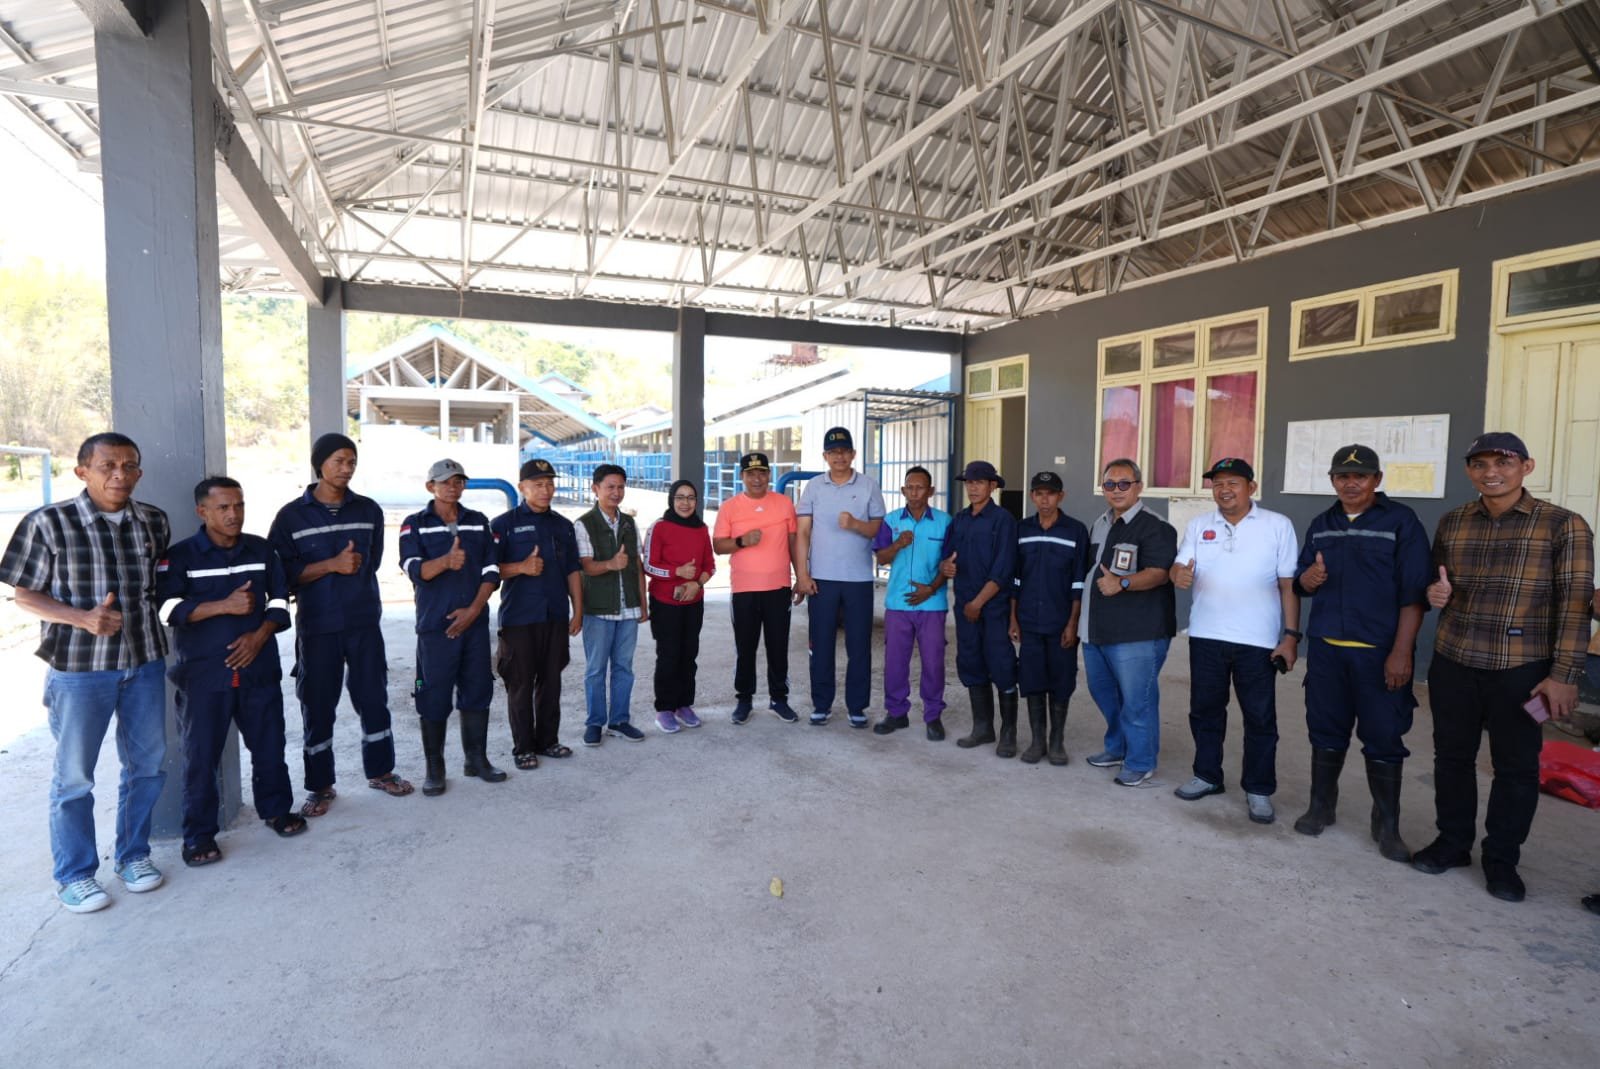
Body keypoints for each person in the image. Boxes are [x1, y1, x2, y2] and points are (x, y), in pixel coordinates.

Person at [1413, 432, 1594, 902]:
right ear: (1468, 470)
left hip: (1522, 671)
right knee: (1452, 758)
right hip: (1454, 661)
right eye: (1479, 464)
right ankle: (1453, 842)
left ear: (1526, 467)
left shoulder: (1563, 525)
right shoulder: (1453, 522)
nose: (1490, 472)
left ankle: (1502, 859)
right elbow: (1437, 581)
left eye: (1503, 462)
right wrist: (1435, 592)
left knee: (1515, 768)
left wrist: (1564, 675)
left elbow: (1576, 606)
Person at [1, 433, 171, 912]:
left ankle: (133, 856)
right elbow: (23, 594)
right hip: (79, 669)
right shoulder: (48, 523)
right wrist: (81, 618)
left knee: (147, 767)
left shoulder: (153, 521)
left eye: (129, 465)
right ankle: (75, 875)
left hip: (144, 661)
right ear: (82, 471)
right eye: (107, 465)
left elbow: (155, 587)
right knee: (75, 777)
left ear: (139, 472)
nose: (119, 474)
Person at [1289, 444, 1431, 862]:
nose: (1351, 484)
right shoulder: (1322, 523)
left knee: (1384, 736)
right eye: (1342, 476)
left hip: (1378, 653)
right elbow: (1300, 580)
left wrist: (1402, 653)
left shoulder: (1401, 521)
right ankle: (1321, 807)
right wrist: (1309, 579)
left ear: (1377, 480)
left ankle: (1386, 825)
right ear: (1332, 480)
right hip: (1327, 651)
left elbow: (1414, 595)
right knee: (1325, 731)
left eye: (1361, 476)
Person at [157, 476, 306, 867]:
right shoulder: (181, 557)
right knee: (200, 757)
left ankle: (276, 811)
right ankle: (199, 836)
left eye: (238, 505)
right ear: (202, 511)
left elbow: (280, 601)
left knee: (270, 747)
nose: (233, 514)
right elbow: (166, 610)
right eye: (223, 507)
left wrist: (259, 636)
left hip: (258, 668)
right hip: (204, 676)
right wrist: (223, 606)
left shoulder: (262, 550)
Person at [269, 432, 412, 816]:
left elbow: (372, 562)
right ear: (319, 464)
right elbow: (281, 575)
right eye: (339, 461)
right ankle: (320, 786)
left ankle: (381, 771)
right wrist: (331, 565)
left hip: (363, 622)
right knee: (317, 704)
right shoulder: (290, 517)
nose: (346, 469)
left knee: (373, 698)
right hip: (317, 627)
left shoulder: (369, 511)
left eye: (352, 462)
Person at [1169, 458, 1300, 824]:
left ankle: (1259, 789)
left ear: (1251, 488)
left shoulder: (1277, 525)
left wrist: (1290, 637)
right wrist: (1178, 574)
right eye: (1218, 483)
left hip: (1257, 641)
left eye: (1233, 483)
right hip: (1206, 635)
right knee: (1205, 711)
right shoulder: (1200, 525)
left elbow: (1288, 585)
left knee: (1260, 718)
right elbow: (1180, 565)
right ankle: (1207, 775)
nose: (1224, 489)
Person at [398, 459, 506, 796]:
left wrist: (474, 610)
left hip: (474, 624)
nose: (452, 487)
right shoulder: (414, 524)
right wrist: (445, 561)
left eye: (458, 481)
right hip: (436, 628)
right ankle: (435, 769)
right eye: (445, 482)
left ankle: (476, 760)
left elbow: (492, 570)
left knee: (478, 689)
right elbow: (413, 569)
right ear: (430, 486)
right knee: (432, 694)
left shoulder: (478, 521)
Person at [1080, 459, 1177, 787]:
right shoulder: (1100, 523)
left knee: (1138, 701)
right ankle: (1118, 748)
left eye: (1124, 483)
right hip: (1097, 630)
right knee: (1104, 693)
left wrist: (1122, 583)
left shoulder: (1155, 527)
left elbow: (1160, 573)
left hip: (1138, 633)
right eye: (1110, 484)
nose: (1117, 490)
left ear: (1139, 487)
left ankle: (1141, 761)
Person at [491, 458, 582, 770]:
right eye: (538, 484)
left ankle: (547, 740)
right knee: (520, 683)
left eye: (550, 484)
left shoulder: (563, 526)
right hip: (519, 617)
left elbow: (572, 570)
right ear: (522, 487)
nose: (546, 490)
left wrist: (578, 610)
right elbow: (489, 571)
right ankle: (523, 748)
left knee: (551, 681)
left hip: (554, 615)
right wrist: (521, 567)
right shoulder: (502, 525)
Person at [794, 427, 886, 728]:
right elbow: (803, 533)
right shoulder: (813, 488)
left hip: (858, 579)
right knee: (821, 645)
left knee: (859, 646)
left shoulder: (869, 486)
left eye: (844, 451)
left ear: (853, 454)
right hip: (822, 579)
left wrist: (856, 524)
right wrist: (802, 574)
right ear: (825, 456)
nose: (839, 457)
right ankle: (821, 705)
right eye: (833, 452)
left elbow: (876, 530)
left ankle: (857, 707)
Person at [713, 452, 802, 724]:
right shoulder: (729, 507)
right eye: (750, 473)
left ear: (768, 475)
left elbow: (794, 543)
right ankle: (744, 700)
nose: (757, 478)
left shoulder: (784, 504)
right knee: (745, 647)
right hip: (744, 589)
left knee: (778, 646)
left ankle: (779, 699)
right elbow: (718, 546)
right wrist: (742, 541)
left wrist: (801, 577)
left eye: (762, 473)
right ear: (742, 476)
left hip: (778, 587)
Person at [1008, 471, 1090, 765]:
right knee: (1031, 679)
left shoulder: (1075, 531)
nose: (1045, 499)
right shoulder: (1021, 529)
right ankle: (1037, 741)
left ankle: (1057, 741)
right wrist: (1013, 618)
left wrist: (1072, 622)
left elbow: (1079, 581)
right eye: (1039, 493)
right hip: (1029, 620)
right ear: (1032, 496)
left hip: (1060, 622)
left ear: (1061, 496)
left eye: (1051, 493)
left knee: (1061, 679)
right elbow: (1015, 578)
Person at [938, 460, 1019, 756]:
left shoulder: (1003, 520)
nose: (973, 488)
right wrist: (945, 567)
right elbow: (946, 557)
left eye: (979, 482)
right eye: (969, 483)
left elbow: (1003, 569)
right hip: (965, 607)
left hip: (993, 607)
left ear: (992, 486)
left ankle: (1008, 734)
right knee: (971, 662)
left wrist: (978, 602)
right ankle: (983, 728)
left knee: (1002, 664)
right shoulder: (959, 520)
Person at [871, 466, 952, 740]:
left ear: (931, 491)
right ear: (903, 490)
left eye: (920, 487)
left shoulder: (944, 522)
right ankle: (896, 713)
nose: (914, 492)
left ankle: (933, 716)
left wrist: (931, 589)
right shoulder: (891, 521)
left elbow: (949, 563)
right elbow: (881, 558)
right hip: (898, 604)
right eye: (910, 487)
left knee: (933, 662)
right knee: (895, 661)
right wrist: (897, 545)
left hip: (932, 604)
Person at [575, 463, 648, 746]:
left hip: (628, 609)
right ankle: (594, 723)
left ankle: (619, 720)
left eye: (620, 487)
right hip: (598, 610)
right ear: (596, 489)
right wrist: (610, 564)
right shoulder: (584, 524)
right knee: (595, 670)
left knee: (624, 668)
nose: (616, 492)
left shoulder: (629, 523)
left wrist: (643, 604)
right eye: (610, 487)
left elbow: (638, 566)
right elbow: (585, 566)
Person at [645, 479, 715, 733]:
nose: (685, 503)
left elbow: (710, 565)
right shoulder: (659, 527)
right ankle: (665, 709)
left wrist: (697, 583)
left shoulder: (701, 529)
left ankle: (684, 704)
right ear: (671, 500)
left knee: (689, 655)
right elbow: (648, 566)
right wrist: (678, 572)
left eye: (691, 497)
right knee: (669, 655)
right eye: (680, 497)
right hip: (665, 604)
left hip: (693, 602)